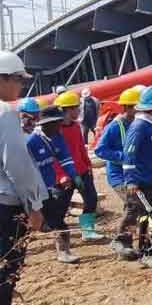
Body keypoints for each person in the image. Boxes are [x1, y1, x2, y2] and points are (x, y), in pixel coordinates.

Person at [0, 51, 48, 305]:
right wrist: (34, 203)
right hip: (5, 207)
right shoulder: (4, 112)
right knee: (4, 274)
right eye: (18, 80)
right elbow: (16, 162)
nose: (20, 88)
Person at [119, 86, 152, 270]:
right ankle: (147, 254)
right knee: (149, 216)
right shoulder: (139, 126)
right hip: (141, 184)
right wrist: (131, 179)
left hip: (151, 180)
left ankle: (146, 252)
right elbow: (129, 153)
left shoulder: (151, 124)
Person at [26, 107, 81, 264]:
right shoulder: (31, 142)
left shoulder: (57, 137)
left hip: (47, 188)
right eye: (55, 123)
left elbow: (65, 158)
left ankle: (64, 252)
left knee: (58, 220)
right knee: (22, 225)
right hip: (31, 190)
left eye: (59, 122)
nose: (59, 126)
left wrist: (74, 175)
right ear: (45, 124)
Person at [53, 91, 103, 243]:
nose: (79, 111)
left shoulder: (76, 127)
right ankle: (61, 237)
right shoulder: (54, 130)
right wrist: (60, 175)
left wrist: (88, 165)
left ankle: (88, 231)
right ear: (66, 110)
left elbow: (81, 148)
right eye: (76, 108)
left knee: (91, 199)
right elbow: (53, 157)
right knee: (61, 206)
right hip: (65, 176)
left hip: (81, 171)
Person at [94, 87, 142, 247]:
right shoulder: (115, 126)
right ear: (128, 107)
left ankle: (139, 236)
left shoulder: (138, 123)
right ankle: (121, 241)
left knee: (136, 206)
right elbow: (100, 149)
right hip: (119, 177)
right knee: (135, 205)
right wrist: (123, 158)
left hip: (136, 175)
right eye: (138, 106)